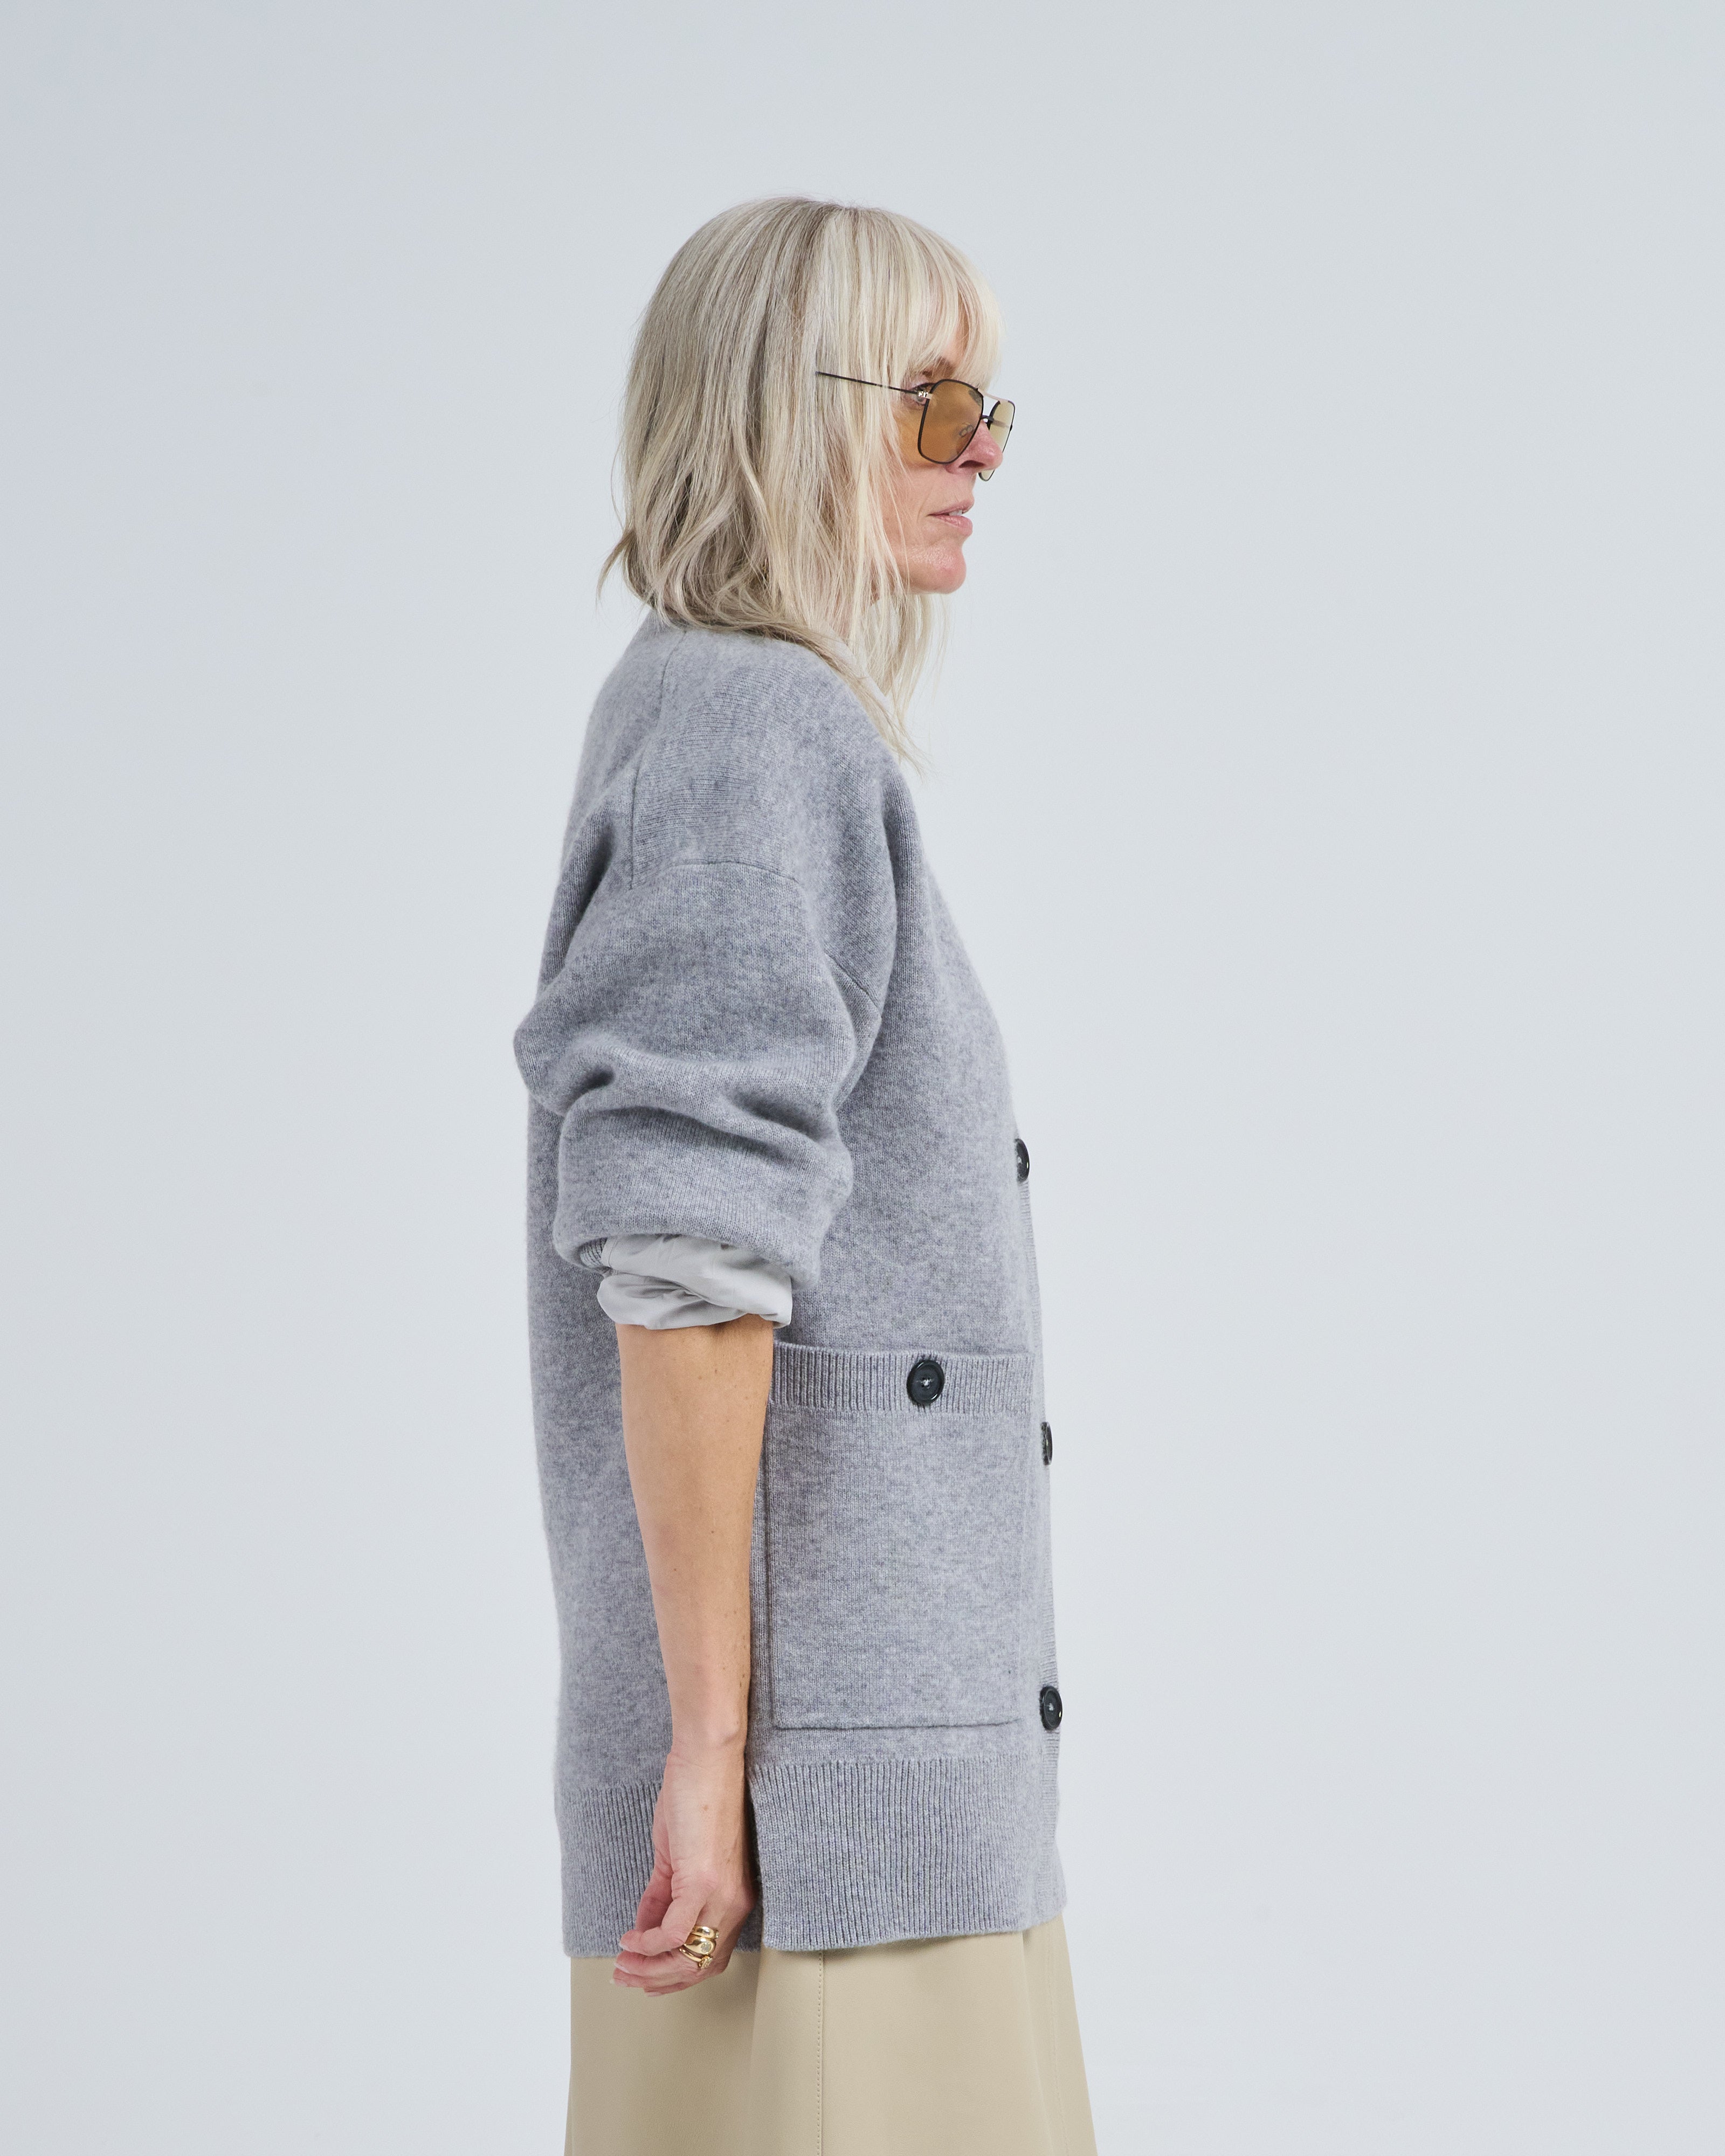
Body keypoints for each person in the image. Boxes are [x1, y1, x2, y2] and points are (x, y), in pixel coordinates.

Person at [514, 196, 1095, 2156]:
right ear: (788, 412)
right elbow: (688, 1266)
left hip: (860, 1801)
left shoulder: (740, 716)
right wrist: (712, 1757)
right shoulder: (751, 725)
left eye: (989, 407)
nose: (981, 453)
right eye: (933, 405)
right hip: (816, 1842)